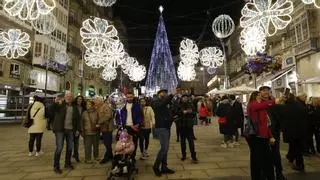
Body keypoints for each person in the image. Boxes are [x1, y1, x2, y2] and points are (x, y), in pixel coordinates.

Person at [49, 91, 81, 174]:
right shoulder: (60, 104)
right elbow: (49, 112)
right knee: (59, 148)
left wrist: (78, 129)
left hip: (70, 130)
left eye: (70, 96)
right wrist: (54, 103)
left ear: (72, 98)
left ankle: (67, 163)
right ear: (64, 96)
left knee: (70, 147)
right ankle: (56, 166)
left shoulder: (74, 107)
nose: (69, 97)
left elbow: (77, 119)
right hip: (60, 130)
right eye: (67, 95)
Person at [247, 86, 275, 180]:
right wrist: (275, 100)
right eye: (259, 96)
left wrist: (270, 136)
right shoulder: (253, 105)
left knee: (264, 158)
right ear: (255, 97)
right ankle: (258, 176)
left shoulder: (261, 107)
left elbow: (265, 124)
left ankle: (265, 175)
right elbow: (266, 104)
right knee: (257, 158)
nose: (261, 98)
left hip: (262, 135)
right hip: (256, 135)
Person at [152, 89, 176, 177]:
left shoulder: (166, 102)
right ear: (159, 94)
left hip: (167, 127)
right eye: (163, 92)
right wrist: (171, 95)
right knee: (164, 148)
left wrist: (173, 118)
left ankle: (164, 167)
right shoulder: (155, 101)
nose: (165, 94)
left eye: (166, 93)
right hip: (161, 127)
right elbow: (160, 106)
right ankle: (156, 166)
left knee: (166, 149)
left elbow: (168, 112)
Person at [281, 93, 308, 172]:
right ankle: (291, 157)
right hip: (301, 131)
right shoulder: (300, 105)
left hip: (291, 131)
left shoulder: (285, 107)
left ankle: (300, 165)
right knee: (295, 147)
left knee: (296, 148)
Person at [116, 91, 142, 162]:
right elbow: (118, 116)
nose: (129, 98)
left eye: (131, 97)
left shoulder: (137, 105)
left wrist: (138, 123)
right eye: (128, 97)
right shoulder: (122, 106)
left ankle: (132, 157)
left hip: (134, 127)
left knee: (134, 143)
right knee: (124, 143)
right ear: (126, 98)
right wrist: (119, 124)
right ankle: (125, 157)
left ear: (133, 97)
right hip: (125, 127)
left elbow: (140, 116)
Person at [178, 95, 198, 163]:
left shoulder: (191, 104)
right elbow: (175, 112)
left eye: (186, 98)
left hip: (189, 126)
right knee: (182, 142)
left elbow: (194, 113)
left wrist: (191, 112)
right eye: (184, 97)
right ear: (182, 98)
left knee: (191, 141)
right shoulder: (179, 105)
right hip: (181, 125)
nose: (185, 99)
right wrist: (182, 112)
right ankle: (183, 155)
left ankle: (193, 156)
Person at [96, 97, 114, 164]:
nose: (95, 102)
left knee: (107, 143)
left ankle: (106, 157)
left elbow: (108, 116)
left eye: (96, 101)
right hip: (103, 128)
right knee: (107, 143)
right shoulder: (99, 107)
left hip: (107, 128)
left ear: (100, 101)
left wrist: (99, 122)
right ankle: (111, 156)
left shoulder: (105, 106)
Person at [72, 95, 86, 162]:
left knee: (76, 143)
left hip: (80, 127)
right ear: (76, 100)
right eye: (78, 99)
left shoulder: (83, 108)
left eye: (81, 99)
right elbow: (74, 119)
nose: (79, 100)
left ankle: (76, 155)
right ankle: (75, 155)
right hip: (73, 127)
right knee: (72, 143)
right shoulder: (73, 107)